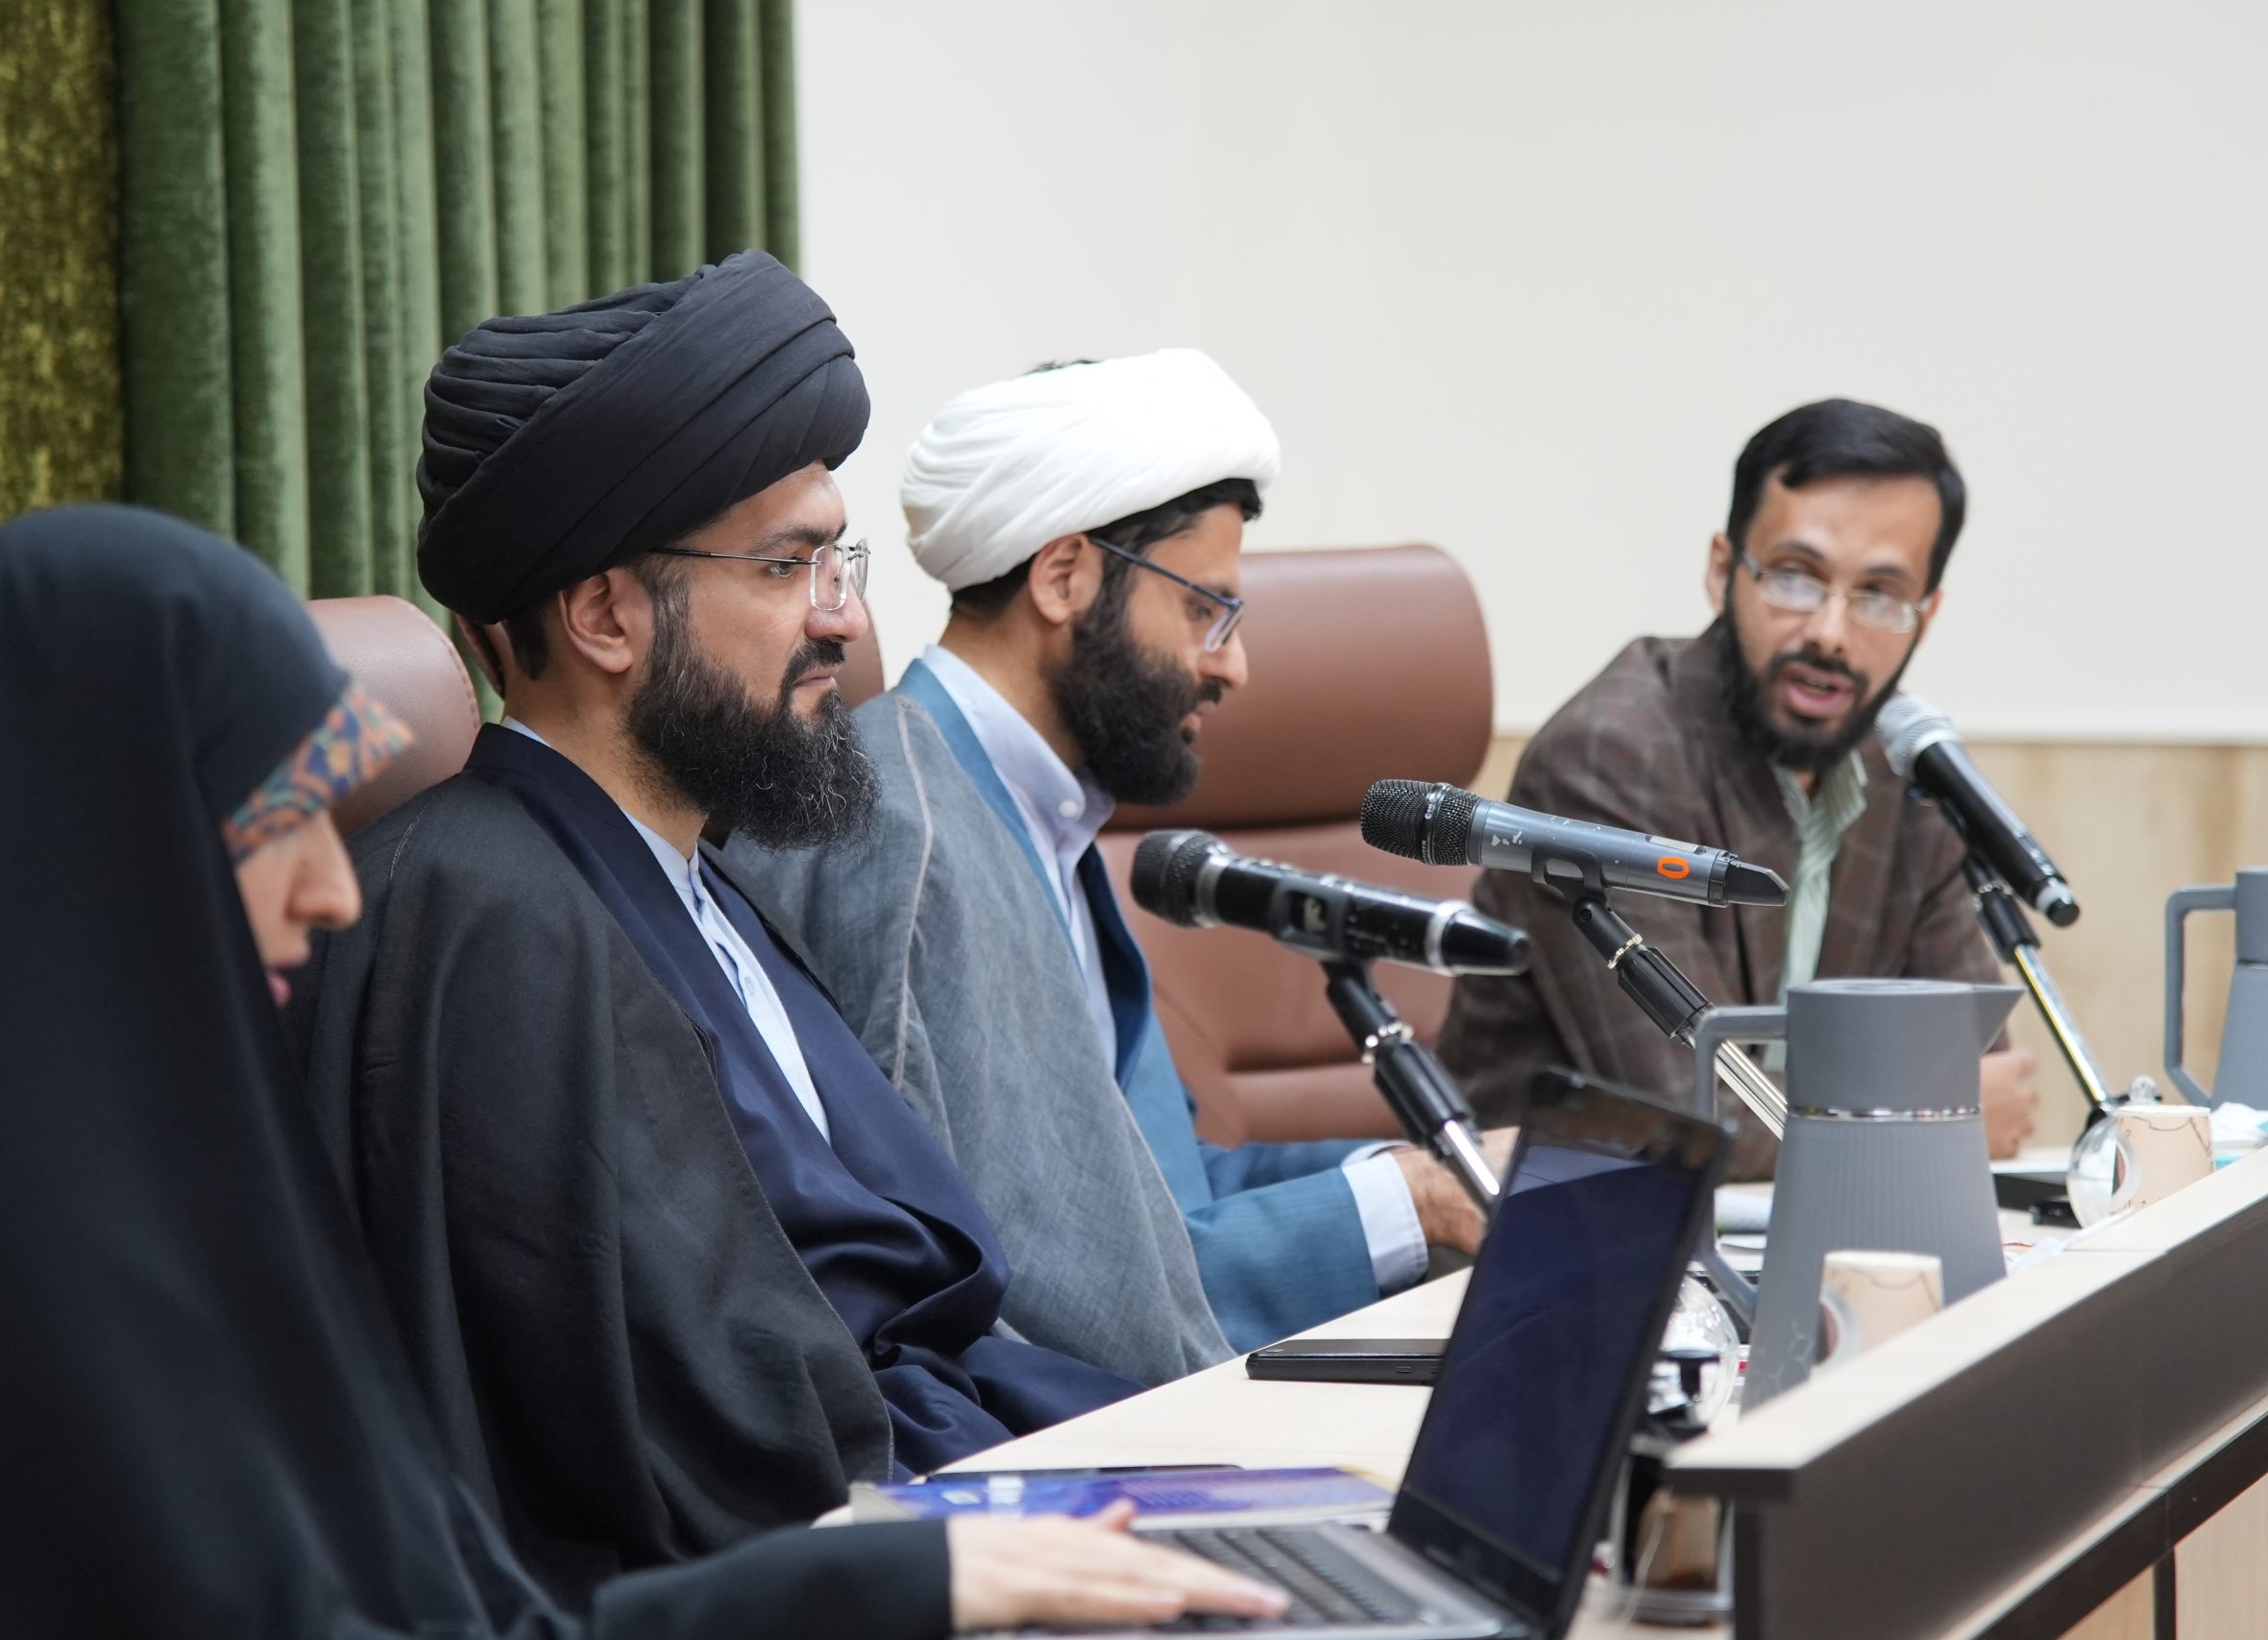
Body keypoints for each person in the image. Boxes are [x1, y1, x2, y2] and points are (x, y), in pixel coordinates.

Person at [0, 506, 1285, 1639]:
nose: (331, 889)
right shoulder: (2, 1301)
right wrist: (869, 1577)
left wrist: (901, 1568)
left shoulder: (177, 1207)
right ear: (92, 848)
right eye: (280, 816)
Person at [290, 255, 1137, 1601]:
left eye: (838, 558)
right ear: (605, 612)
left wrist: (1149, 1471)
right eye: (792, 563)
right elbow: (678, 1433)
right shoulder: (481, 911)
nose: (843, 616)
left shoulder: (692, 876)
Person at [732, 352, 1493, 1369]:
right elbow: (1020, 1302)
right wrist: (1405, 1202)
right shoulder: (901, 831)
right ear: (1064, 576)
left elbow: (1156, 1201)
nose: (1233, 662)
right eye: (1202, 609)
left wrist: (1427, 1173)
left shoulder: (1033, 813)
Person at [1440, 399, 2039, 1171]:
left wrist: (1945, 1102)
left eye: (1879, 595)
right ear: (1723, 569)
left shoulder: (1908, 774)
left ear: (1925, 614)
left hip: (1794, 1237)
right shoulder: (1609, 759)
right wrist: (1922, 1120)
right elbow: (1697, 1109)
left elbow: (1981, 1064)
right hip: (1561, 1245)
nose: (1829, 631)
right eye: (1795, 577)